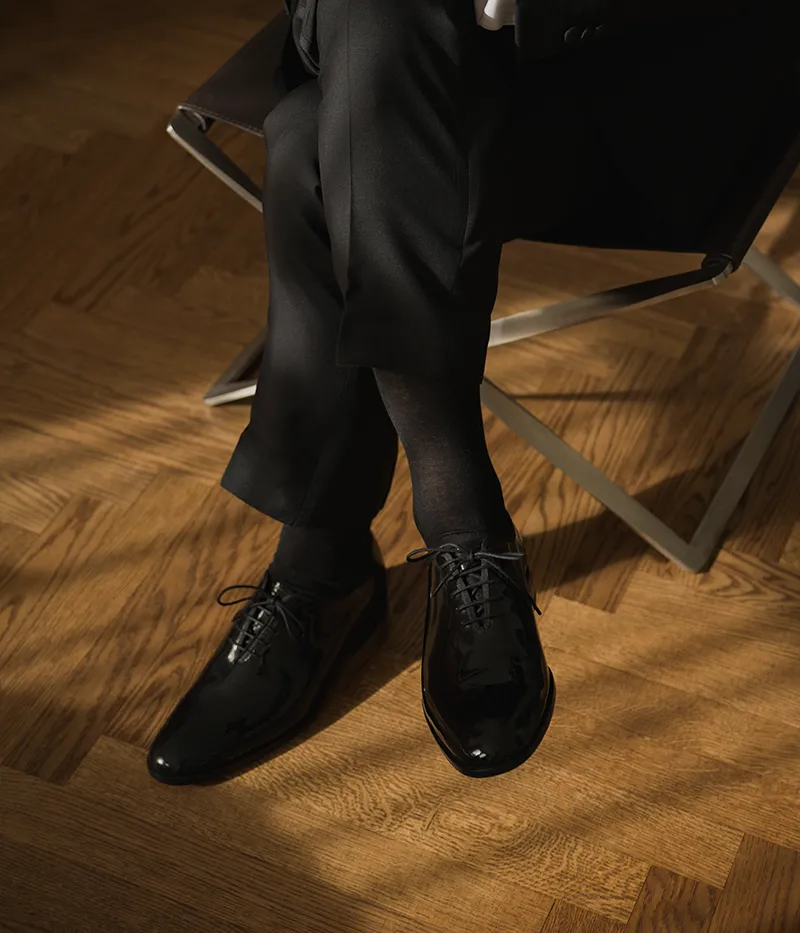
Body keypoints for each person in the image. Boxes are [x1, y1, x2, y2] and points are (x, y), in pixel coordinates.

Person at [146, 0, 797, 784]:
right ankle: (465, 526)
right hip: (389, 62)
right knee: (367, 66)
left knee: (309, 144)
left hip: (633, 81)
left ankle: (327, 552)